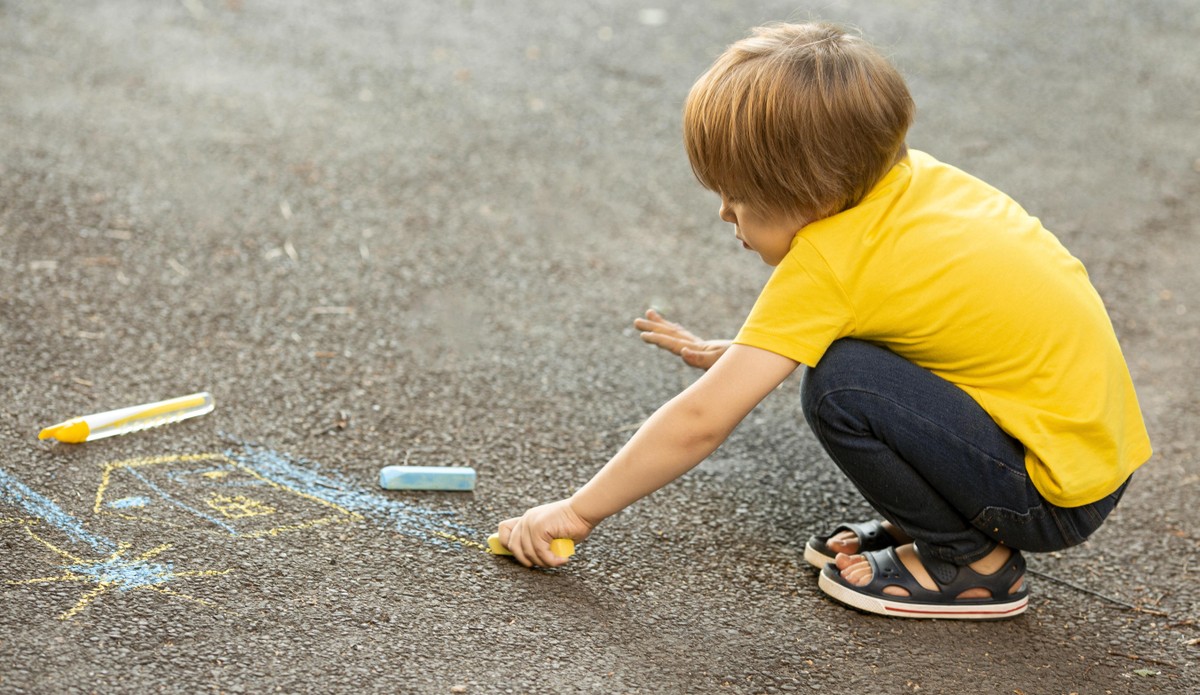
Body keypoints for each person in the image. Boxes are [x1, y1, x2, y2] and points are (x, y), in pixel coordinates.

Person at [495, 22, 1151, 620]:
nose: (726, 214)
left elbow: (700, 421)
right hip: (1086, 454)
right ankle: (948, 522)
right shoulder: (911, 183)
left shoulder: (829, 264)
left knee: (840, 386)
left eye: (740, 199)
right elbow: (933, 318)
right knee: (848, 360)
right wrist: (745, 350)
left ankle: (971, 561)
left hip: (1045, 494)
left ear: (812, 199)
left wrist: (577, 511)